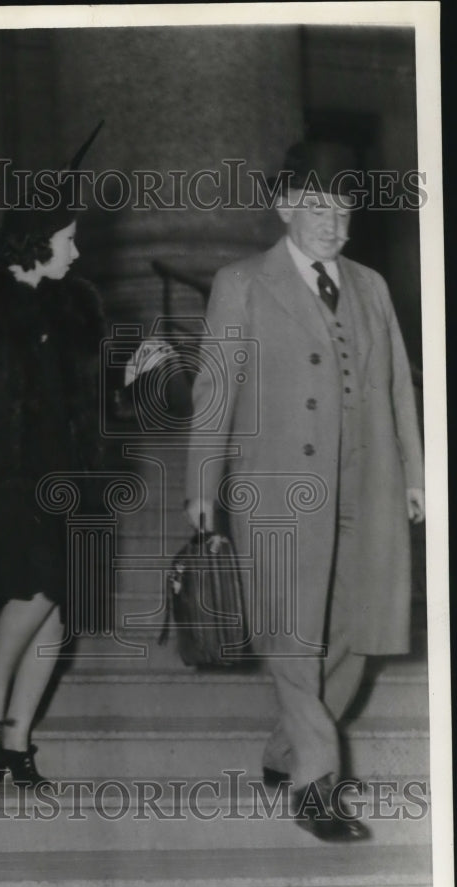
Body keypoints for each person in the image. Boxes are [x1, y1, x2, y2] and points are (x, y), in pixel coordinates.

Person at [184, 141, 425, 842]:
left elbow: (397, 392)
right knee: (292, 636)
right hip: (277, 488)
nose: (332, 219)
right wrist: (202, 483)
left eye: (343, 205)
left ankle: (284, 750)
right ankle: (316, 783)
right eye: (317, 204)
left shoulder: (371, 285)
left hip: (369, 480)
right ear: (284, 207)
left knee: (361, 634)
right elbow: (215, 389)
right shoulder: (242, 282)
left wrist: (414, 474)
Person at [0, 128, 105, 788]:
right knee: (36, 590)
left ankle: (16, 741)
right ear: (38, 238)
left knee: (57, 613)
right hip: (3, 480)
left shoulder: (77, 307)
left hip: (69, 477)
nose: (77, 250)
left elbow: (89, 394)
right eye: (69, 238)